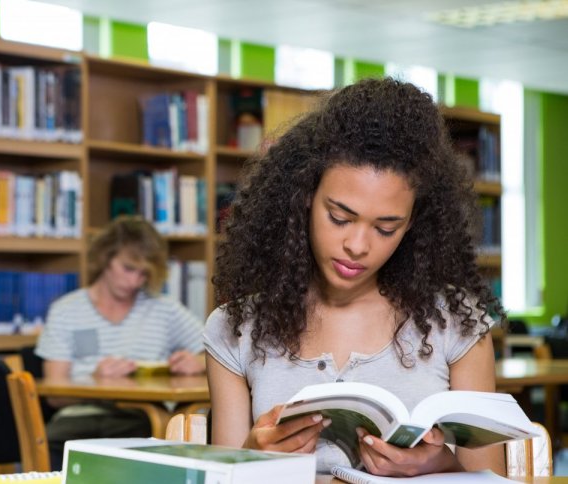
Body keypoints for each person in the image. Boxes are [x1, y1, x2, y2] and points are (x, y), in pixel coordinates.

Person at [204, 77, 507, 477]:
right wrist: (252, 455)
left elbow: (492, 479)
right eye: (339, 217)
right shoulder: (236, 328)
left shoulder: (457, 324)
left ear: (413, 223)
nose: (358, 245)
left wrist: (442, 463)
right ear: (304, 197)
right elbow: (223, 478)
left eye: (386, 228)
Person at [35, 215, 206, 469]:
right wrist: (95, 379)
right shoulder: (66, 310)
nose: (134, 281)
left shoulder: (164, 309)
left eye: (143, 274)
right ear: (105, 258)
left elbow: (219, 352)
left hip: (144, 416)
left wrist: (199, 362)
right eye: (128, 268)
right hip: (81, 416)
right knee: (59, 442)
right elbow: (55, 395)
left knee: (151, 439)